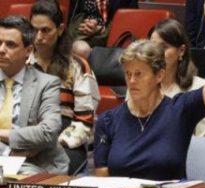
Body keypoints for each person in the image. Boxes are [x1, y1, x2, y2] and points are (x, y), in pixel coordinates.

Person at [94, 0, 205, 180]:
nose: (131, 81)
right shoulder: (107, 121)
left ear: (159, 75)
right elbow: (102, 182)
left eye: (139, 74)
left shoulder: (181, 110)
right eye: (128, 74)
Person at [30, 0, 100, 175]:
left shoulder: (77, 66)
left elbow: (84, 121)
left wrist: (49, 144)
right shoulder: (21, 64)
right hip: (26, 138)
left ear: (60, 29)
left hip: (64, 140)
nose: (38, 37)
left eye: (45, 30)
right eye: (34, 30)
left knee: (51, 174)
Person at [0, 16, 67, 175]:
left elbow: (48, 132)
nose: (1, 49)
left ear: (28, 51)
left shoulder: (47, 84)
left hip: (36, 165)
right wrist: (9, 152)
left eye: (10, 45)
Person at [149, 18, 205, 138]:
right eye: (152, 47)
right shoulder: (139, 84)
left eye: (163, 47)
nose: (156, 53)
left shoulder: (201, 89)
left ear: (181, 51)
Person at [67, 0, 138, 57]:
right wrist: (86, 26)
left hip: (111, 38)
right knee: (80, 49)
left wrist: (101, 30)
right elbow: (72, 17)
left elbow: (129, 22)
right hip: (81, 33)